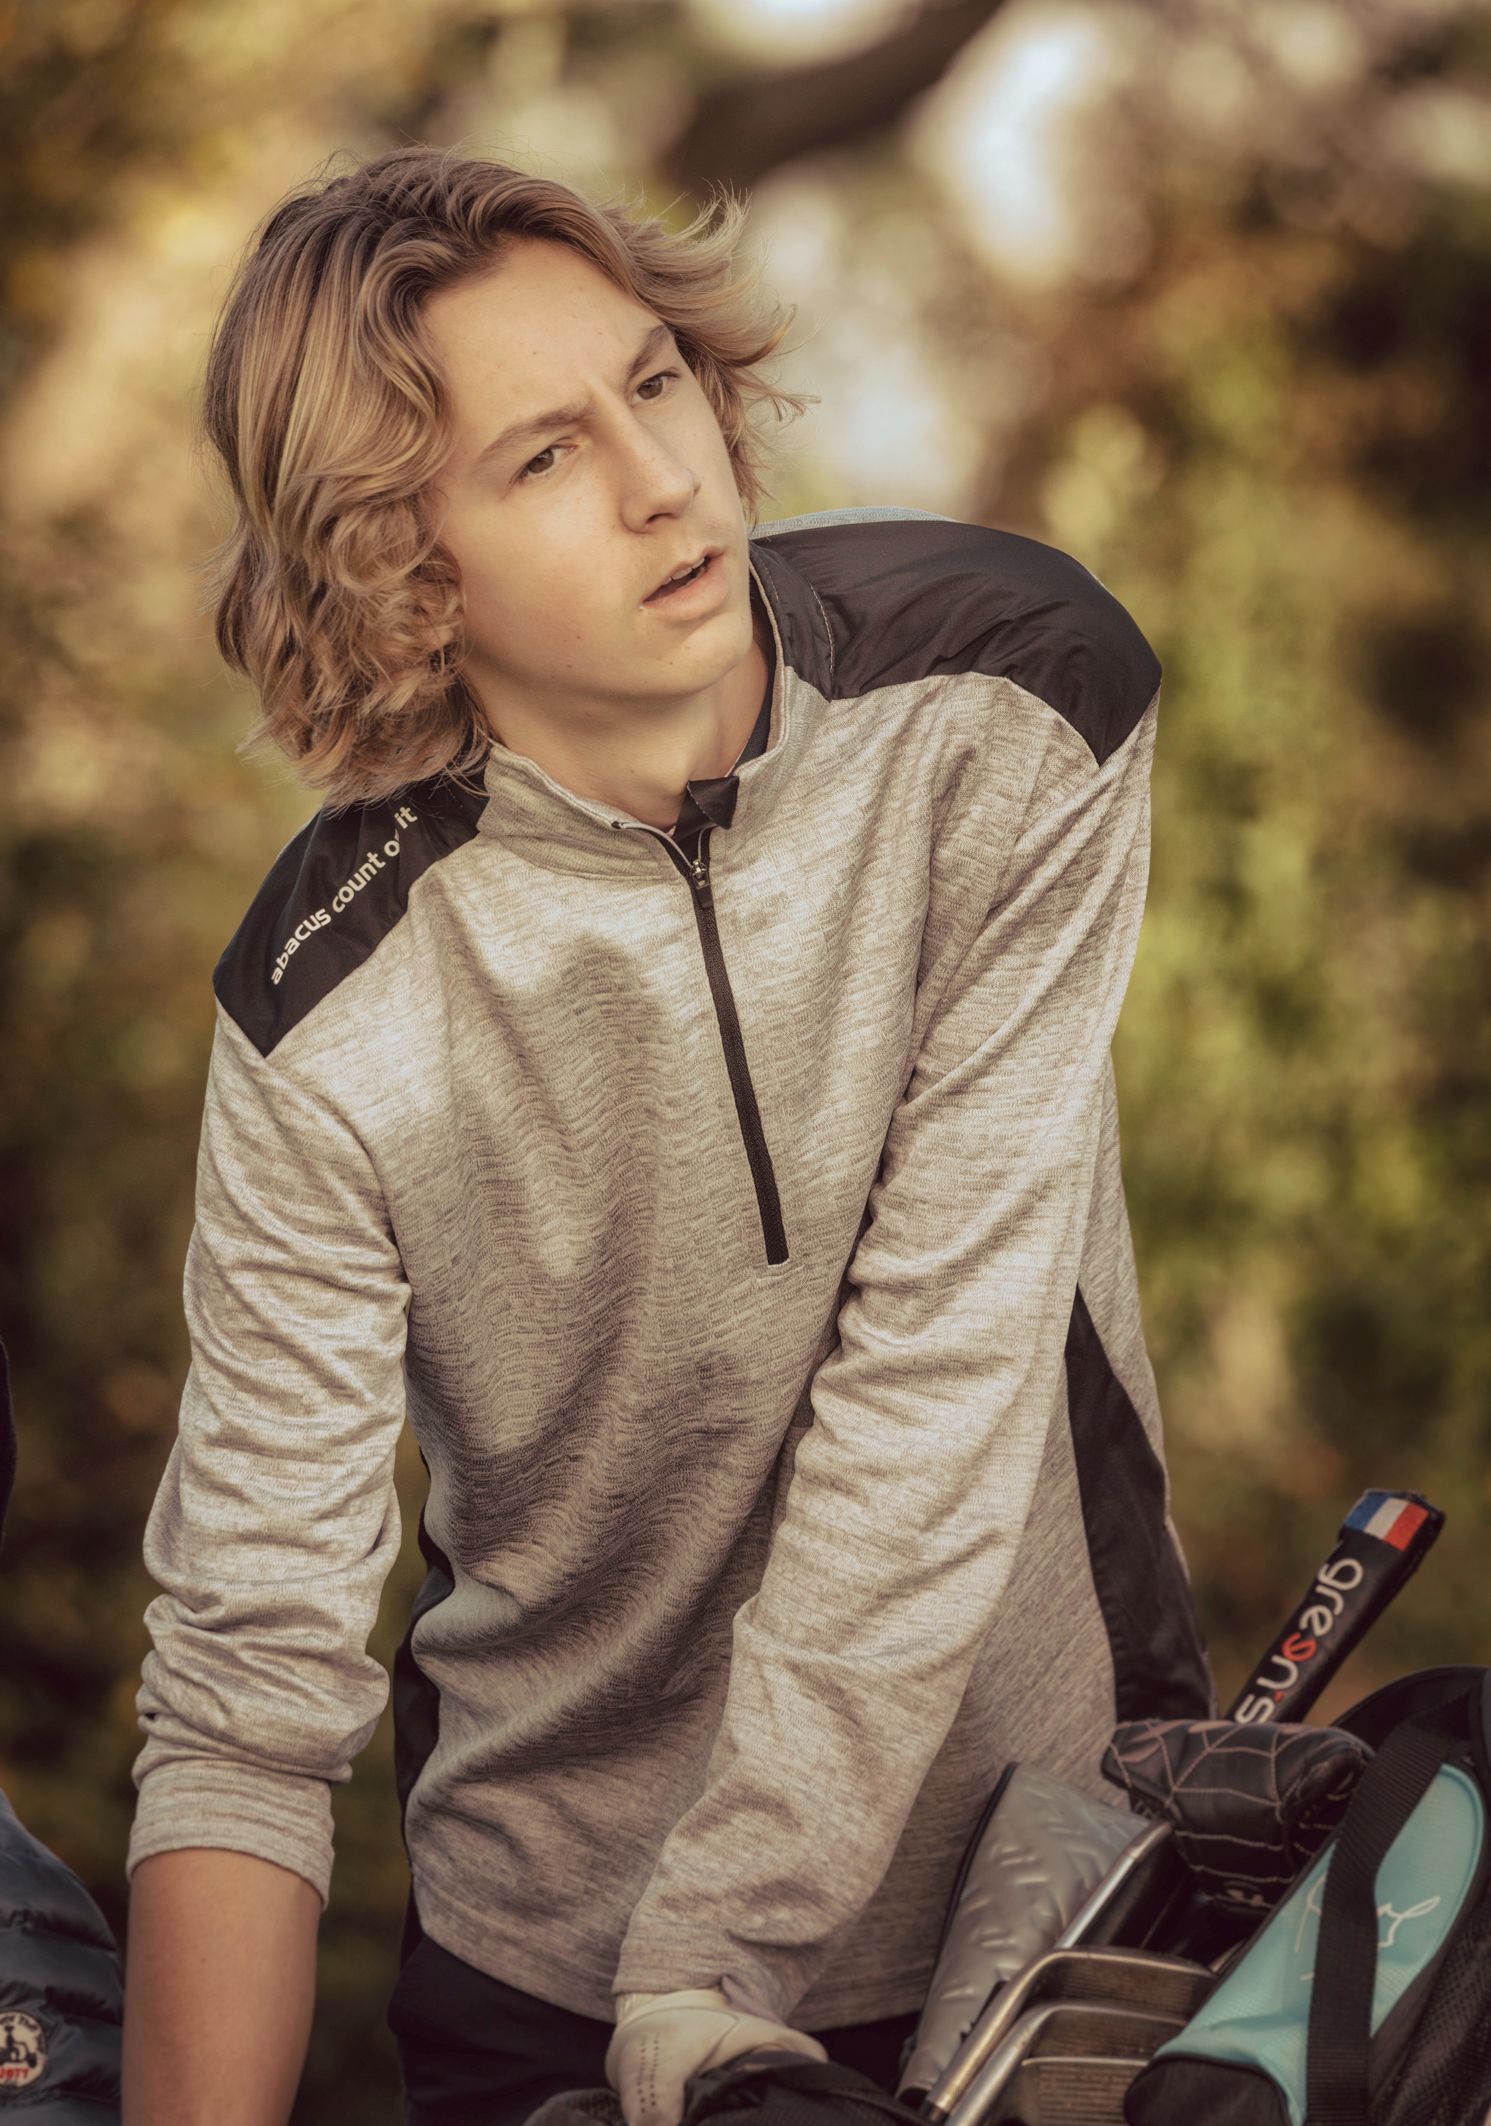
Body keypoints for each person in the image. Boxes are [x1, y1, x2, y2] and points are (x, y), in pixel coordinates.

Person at [120, 143, 1214, 2126]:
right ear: (399, 562)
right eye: (543, 455)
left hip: (1046, 1896)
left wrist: (712, 1967)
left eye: (650, 383)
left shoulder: (1013, 697)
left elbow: (937, 1379)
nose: (663, 480)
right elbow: (248, 1691)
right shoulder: (322, 1006)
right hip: (548, 1977)